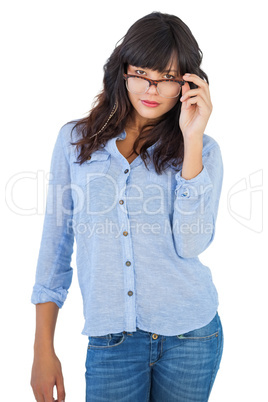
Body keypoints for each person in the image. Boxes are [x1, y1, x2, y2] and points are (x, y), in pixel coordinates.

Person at [30, 11, 224, 402]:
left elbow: (191, 244)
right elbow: (56, 244)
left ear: (187, 82)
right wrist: (42, 348)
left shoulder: (202, 149)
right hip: (112, 344)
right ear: (123, 71)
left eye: (167, 78)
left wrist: (191, 139)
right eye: (141, 73)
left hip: (192, 337)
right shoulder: (75, 141)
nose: (151, 89)